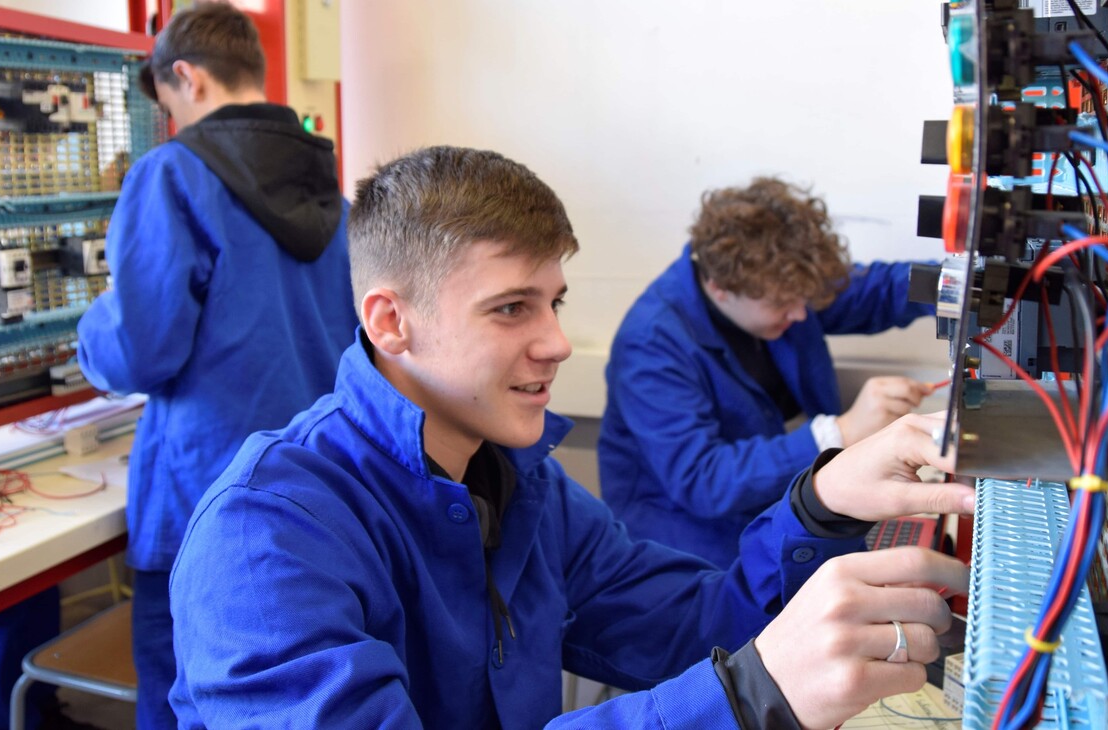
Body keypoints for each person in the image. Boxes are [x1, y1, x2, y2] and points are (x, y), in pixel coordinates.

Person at [168, 146, 974, 729]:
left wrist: (822, 501)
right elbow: (731, 671)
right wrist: (742, 698)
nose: (556, 341)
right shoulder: (267, 535)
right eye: (512, 307)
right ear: (390, 321)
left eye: (555, 302)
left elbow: (701, 624)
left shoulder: (524, 487)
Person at [75, 4, 356, 726]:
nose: (170, 120)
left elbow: (141, 349)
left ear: (186, 78)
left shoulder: (171, 175)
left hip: (206, 495)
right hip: (323, 488)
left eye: (167, 103)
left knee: (184, 699)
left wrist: (91, 329)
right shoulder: (331, 184)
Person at [599, 177, 937, 569]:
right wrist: (840, 433)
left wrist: (951, 283)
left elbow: (875, 290)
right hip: (695, 550)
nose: (800, 314)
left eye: (803, 300)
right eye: (782, 305)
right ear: (721, 287)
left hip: (786, 506)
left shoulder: (779, 282)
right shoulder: (651, 343)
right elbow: (705, 479)